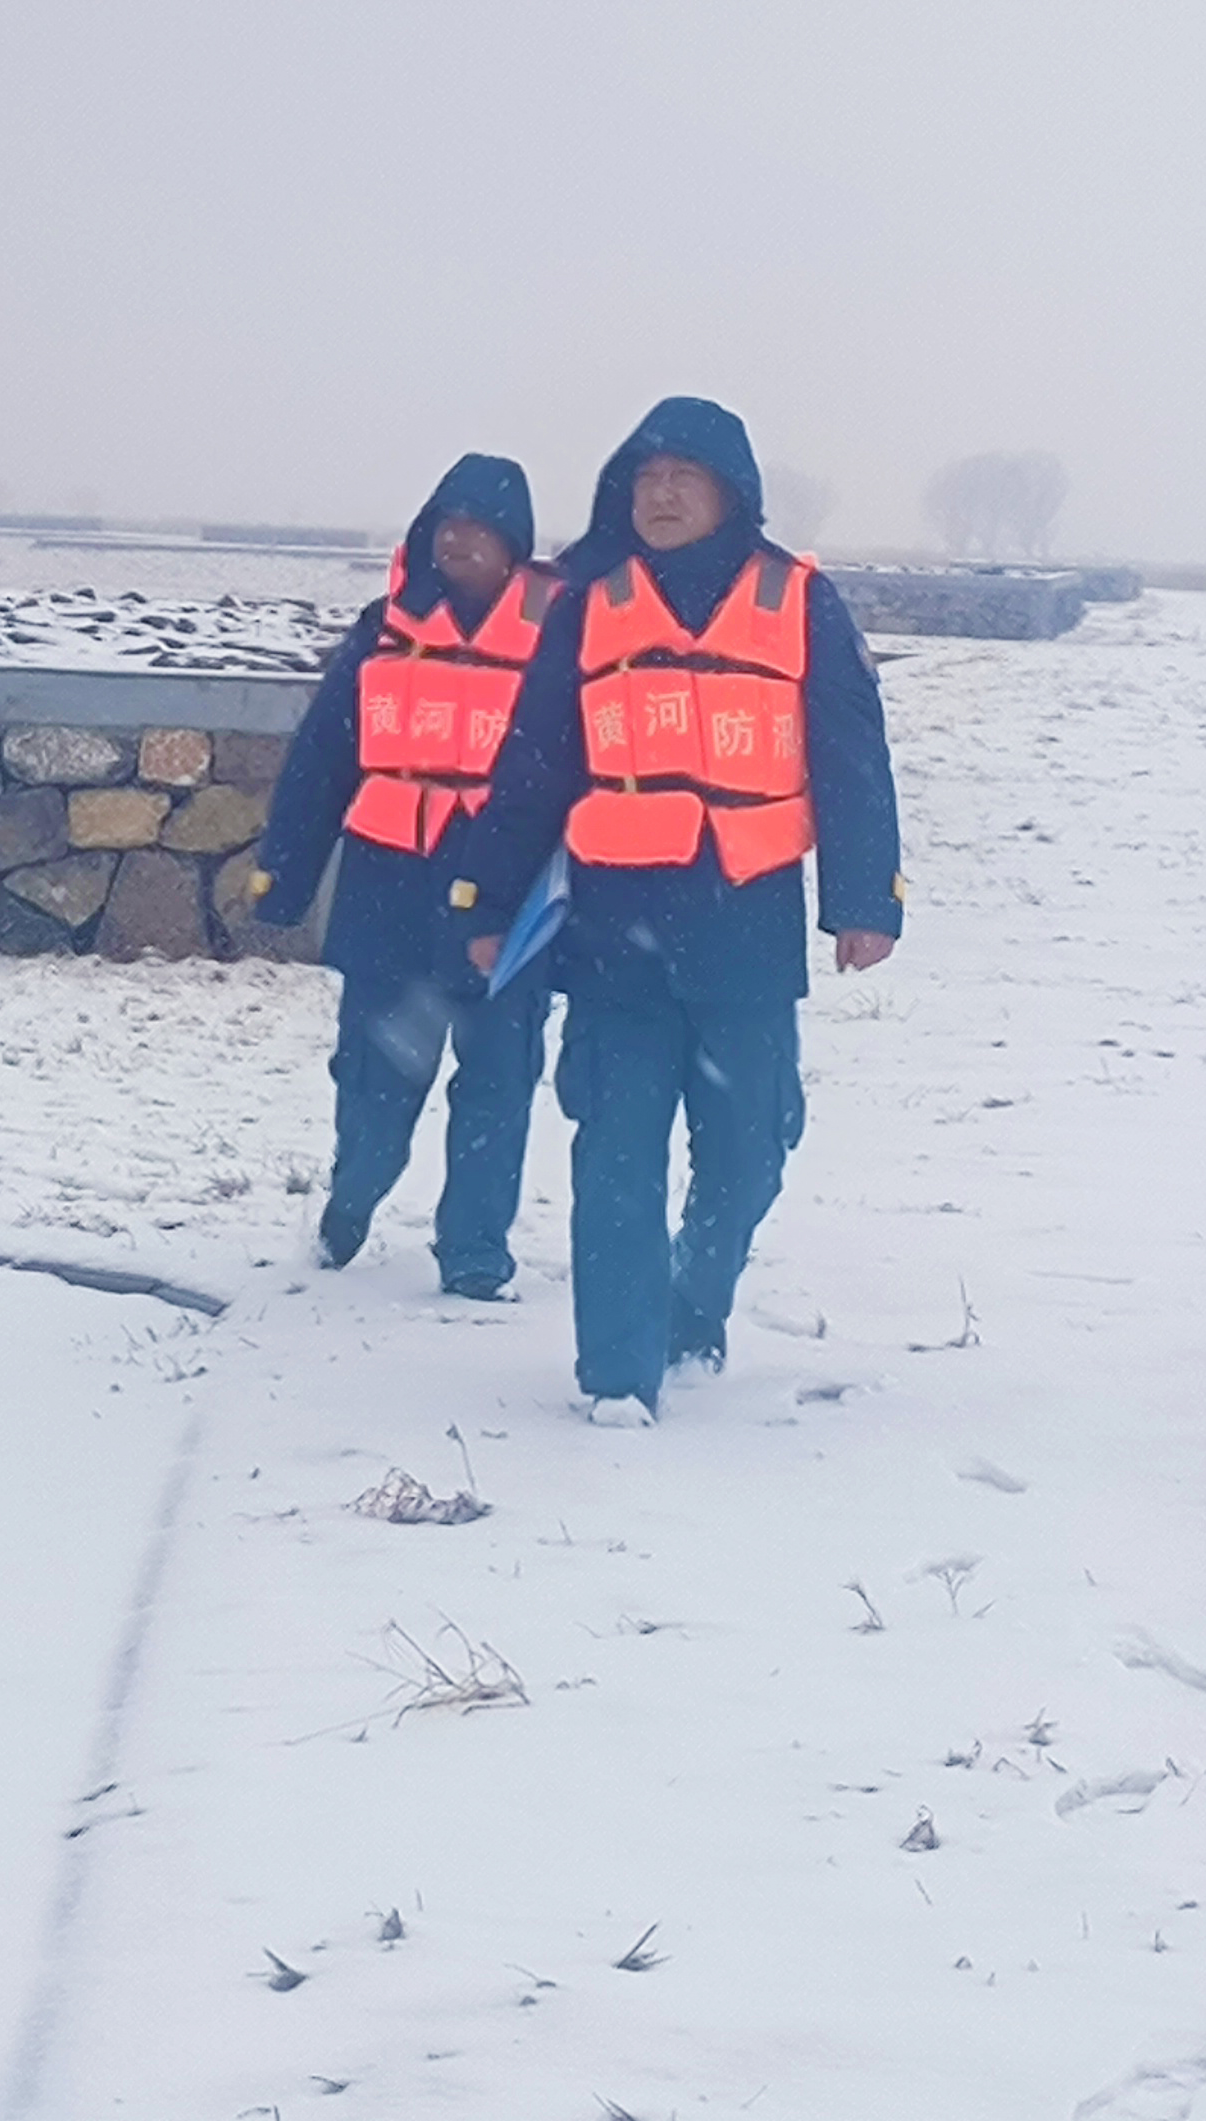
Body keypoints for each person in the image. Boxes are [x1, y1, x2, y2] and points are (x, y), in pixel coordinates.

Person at [444, 398, 903, 1424]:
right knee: (613, 1151)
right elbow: (532, 765)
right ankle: (616, 1371)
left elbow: (848, 755)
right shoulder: (588, 606)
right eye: (645, 475)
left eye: (683, 476)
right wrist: (488, 894)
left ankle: (693, 1308)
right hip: (615, 931)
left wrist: (864, 898)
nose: (659, 493)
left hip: (745, 926)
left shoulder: (799, 602)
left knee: (746, 1152)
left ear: (730, 493)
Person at [249, 453, 560, 1299]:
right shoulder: (383, 625)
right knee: (377, 1073)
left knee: (499, 1080)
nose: (458, 541)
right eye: (445, 525)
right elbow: (323, 759)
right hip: (390, 884)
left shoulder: (560, 631)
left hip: (508, 895)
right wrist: (285, 871)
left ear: (515, 547)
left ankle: (474, 1250)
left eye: (479, 528)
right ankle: (353, 1197)